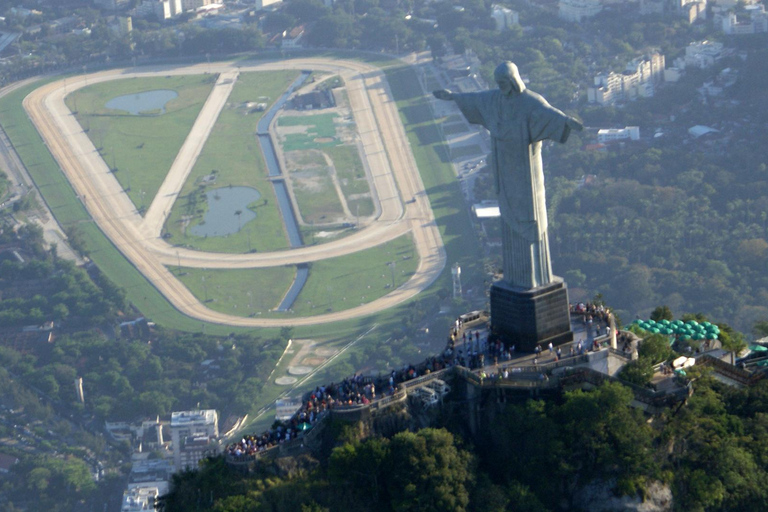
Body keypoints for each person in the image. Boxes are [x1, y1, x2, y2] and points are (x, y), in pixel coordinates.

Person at [434, 62, 583, 290]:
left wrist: (566, 121)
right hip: (504, 170)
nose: (501, 87)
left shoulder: (530, 102)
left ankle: (536, 278)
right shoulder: (494, 99)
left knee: (530, 217)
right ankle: (515, 278)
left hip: (526, 172)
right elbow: (475, 99)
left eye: (505, 82)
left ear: (515, 80)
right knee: (509, 215)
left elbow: (549, 114)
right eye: (499, 83)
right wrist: (452, 96)